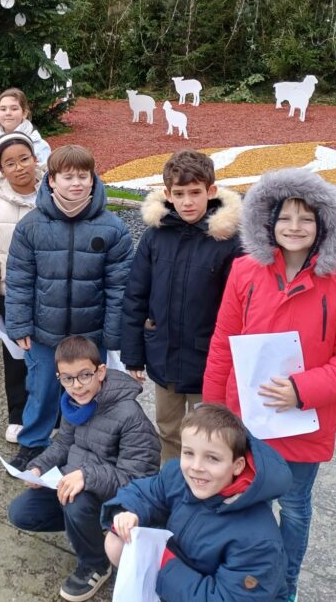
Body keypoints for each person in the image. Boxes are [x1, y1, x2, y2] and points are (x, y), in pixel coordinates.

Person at [203, 168, 336, 602]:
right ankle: (247, 578)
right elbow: (224, 341)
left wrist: (302, 389)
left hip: (303, 423)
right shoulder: (245, 272)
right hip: (247, 417)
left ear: (324, 224)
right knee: (246, 501)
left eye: (306, 218)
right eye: (285, 217)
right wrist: (213, 409)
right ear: (268, 221)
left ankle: (285, 587)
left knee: (295, 507)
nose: (294, 227)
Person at [4, 145, 134, 470]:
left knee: (88, 392)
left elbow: (119, 287)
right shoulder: (31, 226)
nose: (76, 183)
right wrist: (19, 324)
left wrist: (113, 335)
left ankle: (87, 447)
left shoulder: (112, 228)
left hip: (91, 334)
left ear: (93, 179)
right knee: (42, 389)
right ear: (51, 180)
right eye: (68, 177)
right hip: (44, 331)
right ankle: (34, 443)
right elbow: (19, 279)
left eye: (83, 176)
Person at [8, 336, 160, 602]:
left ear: (100, 372)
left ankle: (96, 564)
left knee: (75, 504)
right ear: (59, 378)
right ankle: (88, 528)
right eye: (68, 379)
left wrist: (86, 476)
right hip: (76, 483)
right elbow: (63, 444)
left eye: (85, 375)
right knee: (21, 512)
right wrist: (38, 467)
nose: (77, 386)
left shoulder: (130, 415)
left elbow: (138, 478)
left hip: (115, 497)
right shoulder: (73, 402)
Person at [121, 150, 244, 463]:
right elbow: (136, 295)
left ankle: (205, 487)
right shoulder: (155, 237)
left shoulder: (230, 242)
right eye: (179, 194)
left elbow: (240, 308)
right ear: (167, 195)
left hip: (208, 362)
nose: (187, 202)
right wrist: (133, 353)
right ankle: (171, 482)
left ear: (210, 191)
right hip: (164, 357)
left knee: (209, 434)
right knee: (168, 429)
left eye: (195, 193)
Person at [102, 404, 291, 602]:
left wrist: (161, 563)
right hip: (182, 571)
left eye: (212, 458)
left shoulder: (258, 540)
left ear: (237, 466)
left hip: (209, 589)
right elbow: (145, 493)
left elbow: (225, 598)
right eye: (189, 453)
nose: (196, 467)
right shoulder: (179, 475)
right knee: (117, 540)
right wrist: (129, 512)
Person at [0, 131, 42, 444]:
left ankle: (52, 414)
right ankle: (18, 415)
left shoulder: (52, 199)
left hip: (49, 293)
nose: (19, 167)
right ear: (1, 169)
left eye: (24, 159)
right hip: (10, 295)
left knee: (52, 357)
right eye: (10, 163)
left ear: (35, 159)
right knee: (16, 358)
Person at [0, 88, 51, 173]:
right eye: (3, 109)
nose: (8, 113)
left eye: (14, 109)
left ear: (24, 113)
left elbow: (45, 176)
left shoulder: (38, 144)